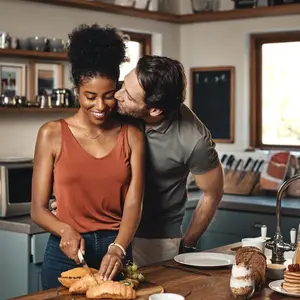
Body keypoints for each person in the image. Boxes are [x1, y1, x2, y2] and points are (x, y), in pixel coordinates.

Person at [31, 24, 144, 289]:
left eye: (108, 96)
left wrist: (118, 247)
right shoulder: (51, 134)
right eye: (90, 97)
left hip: (115, 251)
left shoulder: (132, 136)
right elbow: (37, 208)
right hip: (65, 251)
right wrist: (64, 229)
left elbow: (133, 205)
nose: (101, 106)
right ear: (76, 90)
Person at [114, 55, 224, 266]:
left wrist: (188, 243)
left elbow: (213, 191)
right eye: (122, 85)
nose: (117, 95)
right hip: (106, 229)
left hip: (155, 238)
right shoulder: (117, 108)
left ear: (154, 109)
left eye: (127, 95)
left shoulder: (194, 139)